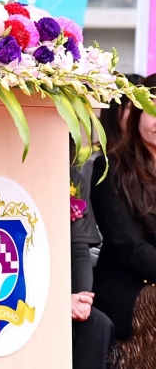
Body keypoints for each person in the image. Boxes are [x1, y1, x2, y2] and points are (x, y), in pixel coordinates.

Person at [91, 73, 156, 368]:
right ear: (137, 114)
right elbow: (126, 246)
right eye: (152, 110)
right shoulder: (112, 167)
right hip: (127, 286)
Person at [71, 162, 115, 369]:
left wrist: (82, 299)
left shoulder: (70, 178)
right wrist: (56, 302)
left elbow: (78, 249)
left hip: (67, 294)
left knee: (97, 324)